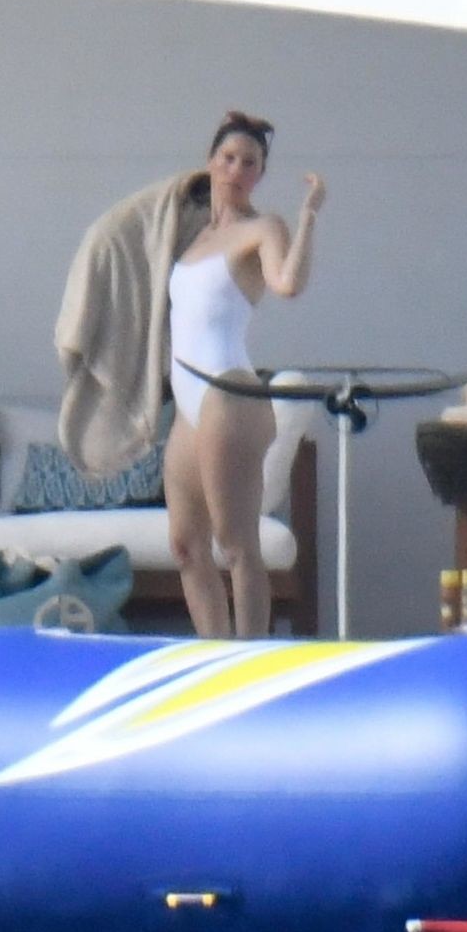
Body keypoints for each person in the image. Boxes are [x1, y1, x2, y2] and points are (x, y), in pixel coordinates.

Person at [163, 112, 325, 638]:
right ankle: (214, 653)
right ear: (211, 162)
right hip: (188, 400)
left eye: (249, 163)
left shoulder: (263, 228)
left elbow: (287, 283)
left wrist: (307, 218)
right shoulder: (192, 237)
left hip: (228, 392)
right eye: (228, 158)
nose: (236, 170)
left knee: (235, 544)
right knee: (185, 546)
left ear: (259, 174)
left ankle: (248, 653)